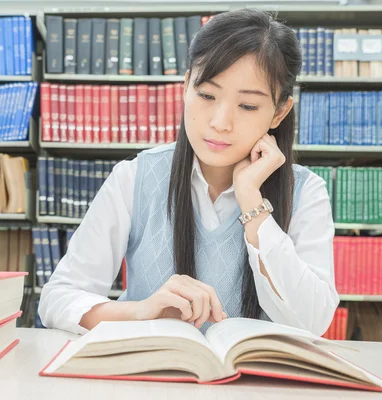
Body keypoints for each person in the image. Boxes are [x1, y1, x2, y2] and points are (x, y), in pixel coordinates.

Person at [38, 8, 339, 336]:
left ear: (279, 112)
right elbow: (57, 298)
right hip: (151, 378)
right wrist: (141, 311)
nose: (220, 122)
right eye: (207, 95)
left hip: (255, 386)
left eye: (248, 106)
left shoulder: (306, 192)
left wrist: (253, 203)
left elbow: (314, 322)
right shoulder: (134, 177)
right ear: (185, 87)